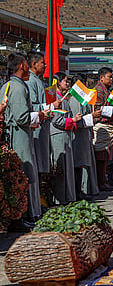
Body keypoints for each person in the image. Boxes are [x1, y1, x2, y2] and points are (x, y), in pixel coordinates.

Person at [0, 53, 48, 229]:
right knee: (22, 173)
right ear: (22, 66)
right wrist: (40, 115)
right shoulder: (17, 87)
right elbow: (21, 117)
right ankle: (20, 216)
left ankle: (22, 214)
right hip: (18, 134)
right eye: (27, 63)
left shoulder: (10, 85)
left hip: (18, 133)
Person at [69, 74, 101, 200]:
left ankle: (80, 190)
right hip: (77, 136)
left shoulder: (82, 99)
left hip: (84, 135)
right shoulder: (74, 100)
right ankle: (77, 192)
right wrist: (92, 116)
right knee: (78, 163)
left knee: (81, 163)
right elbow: (77, 120)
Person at [50, 72, 82, 204]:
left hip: (65, 134)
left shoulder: (63, 98)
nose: (67, 83)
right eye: (65, 81)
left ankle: (66, 197)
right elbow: (57, 121)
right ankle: (60, 198)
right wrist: (73, 120)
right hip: (58, 135)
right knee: (60, 168)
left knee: (66, 167)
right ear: (57, 82)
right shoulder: (55, 98)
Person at [93, 67, 113, 191]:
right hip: (101, 125)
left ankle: (103, 180)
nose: (111, 79)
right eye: (109, 77)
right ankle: (100, 182)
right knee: (101, 157)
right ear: (101, 78)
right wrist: (112, 109)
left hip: (107, 126)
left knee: (105, 157)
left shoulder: (105, 90)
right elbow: (97, 110)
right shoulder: (99, 90)